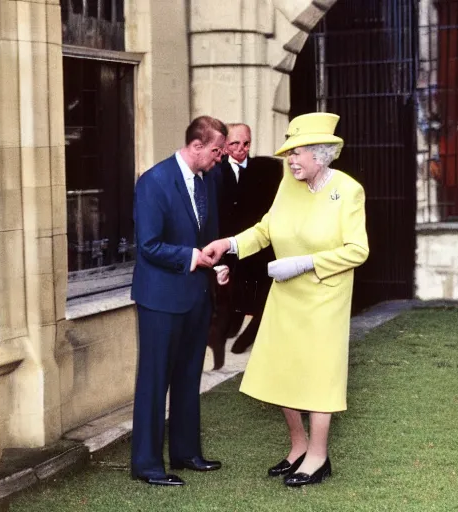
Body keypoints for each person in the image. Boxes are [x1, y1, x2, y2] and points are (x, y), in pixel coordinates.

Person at [203, 112, 369, 487]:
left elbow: (358, 251)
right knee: (283, 370)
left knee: (318, 374)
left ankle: (318, 456)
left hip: (325, 297)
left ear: (322, 154)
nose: (291, 159)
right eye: (289, 152)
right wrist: (229, 245)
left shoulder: (348, 190)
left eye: (298, 152)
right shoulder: (288, 184)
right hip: (286, 296)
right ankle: (298, 446)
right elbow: (265, 229)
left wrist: (305, 262)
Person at [130, 116, 229, 486]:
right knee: (155, 381)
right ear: (197, 145)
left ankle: (187, 453)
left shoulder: (208, 181)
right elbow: (149, 245)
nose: (220, 158)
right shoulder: (153, 182)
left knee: (189, 377)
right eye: (217, 151)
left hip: (196, 296)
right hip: (159, 299)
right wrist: (193, 258)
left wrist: (216, 266)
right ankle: (147, 465)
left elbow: (210, 237)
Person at [208, 123, 282, 369]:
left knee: (264, 292)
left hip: (259, 245)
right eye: (234, 144)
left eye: (246, 144)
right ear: (225, 146)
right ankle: (230, 328)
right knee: (228, 295)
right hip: (228, 245)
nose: (241, 149)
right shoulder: (216, 172)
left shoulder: (266, 170)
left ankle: (251, 334)